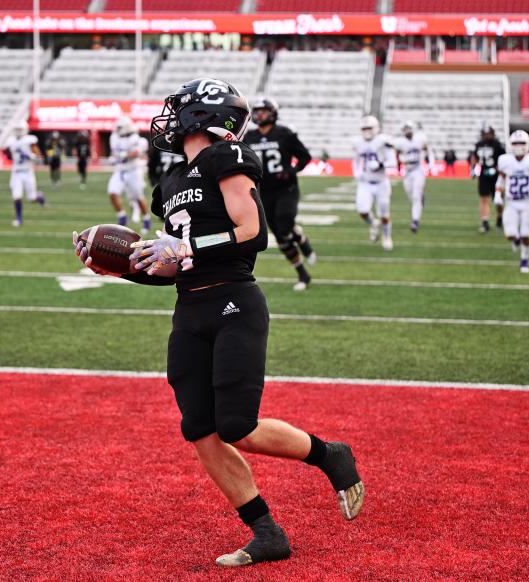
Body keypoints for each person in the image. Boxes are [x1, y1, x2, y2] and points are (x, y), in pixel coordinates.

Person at [74, 78, 364, 568]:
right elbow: (171, 270)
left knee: (238, 425)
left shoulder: (227, 157)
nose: (167, 118)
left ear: (201, 115)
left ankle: (330, 454)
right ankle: (267, 532)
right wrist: (123, 268)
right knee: (200, 429)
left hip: (234, 301)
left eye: (177, 109)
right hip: (189, 309)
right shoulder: (167, 183)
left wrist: (188, 246)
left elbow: (252, 232)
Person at [244, 97, 316, 291]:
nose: (259, 114)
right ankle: (302, 273)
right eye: (257, 111)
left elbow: (305, 157)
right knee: (280, 235)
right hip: (262, 191)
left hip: (286, 188)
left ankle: (302, 240)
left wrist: (291, 171)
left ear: (273, 112)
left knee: (285, 223)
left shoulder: (284, 134)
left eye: (264, 111)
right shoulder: (248, 137)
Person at [494, 130, 529, 274]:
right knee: (510, 234)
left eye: (521, 143)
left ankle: (524, 260)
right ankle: (515, 240)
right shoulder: (505, 160)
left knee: (526, 234)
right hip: (511, 202)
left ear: (528, 144)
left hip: (528, 202)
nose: (518, 146)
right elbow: (501, 179)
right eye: (515, 143)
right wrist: (498, 194)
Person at [353, 115, 394, 250]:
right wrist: (357, 173)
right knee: (363, 211)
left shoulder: (383, 141)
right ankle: (373, 223)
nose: (367, 131)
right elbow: (356, 160)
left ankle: (387, 237)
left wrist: (380, 164)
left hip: (381, 182)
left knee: (384, 214)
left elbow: (392, 163)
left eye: (369, 128)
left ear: (376, 128)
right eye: (364, 128)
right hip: (365, 182)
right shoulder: (358, 142)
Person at [108, 116, 150, 234]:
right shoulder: (114, 137)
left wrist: (124, 155)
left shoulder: (135, 138)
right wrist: (115, 157)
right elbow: (114, 152)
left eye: (120, 127)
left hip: (133, 170)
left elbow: (137, 153)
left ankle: (146, 218)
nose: (118, 129)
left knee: (138, 196)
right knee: (112, 192)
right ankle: (122, 216)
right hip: (120, 170)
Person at [393, 121, 432, 233]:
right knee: (410, 194)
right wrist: (399, 166)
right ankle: (420, 200)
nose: (407, 132)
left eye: (408, 129)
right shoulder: (400, 142)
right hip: (408, 171)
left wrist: (428, 161)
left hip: (418, 169)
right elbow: (397, 153)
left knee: (415, 197)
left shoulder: (419, 139)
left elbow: (426, 148)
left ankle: (415, 221)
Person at [6, 121, 46, 226]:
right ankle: (19, 219)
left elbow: (38, 155)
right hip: (16, 172)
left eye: (20, 129)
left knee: (32, 198)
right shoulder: (11, 141)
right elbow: (9, 156)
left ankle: (40, 197)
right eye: (17, 130)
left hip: (28, 172)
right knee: (16, 196)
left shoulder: (30, 140)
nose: (18, 132)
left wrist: (31, 156)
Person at [470, 124, 506, 233]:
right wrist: (474, 170)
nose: (486, 136)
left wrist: (498, 170)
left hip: (496, 176)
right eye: (485, 134)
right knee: (483, 199)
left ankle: (500, 217)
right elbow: (475, 159)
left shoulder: (497, 145)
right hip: (483, 175)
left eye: (488, 134)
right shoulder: (479, 144)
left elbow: (503, 160)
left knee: (498, 200)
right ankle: (485, 223)